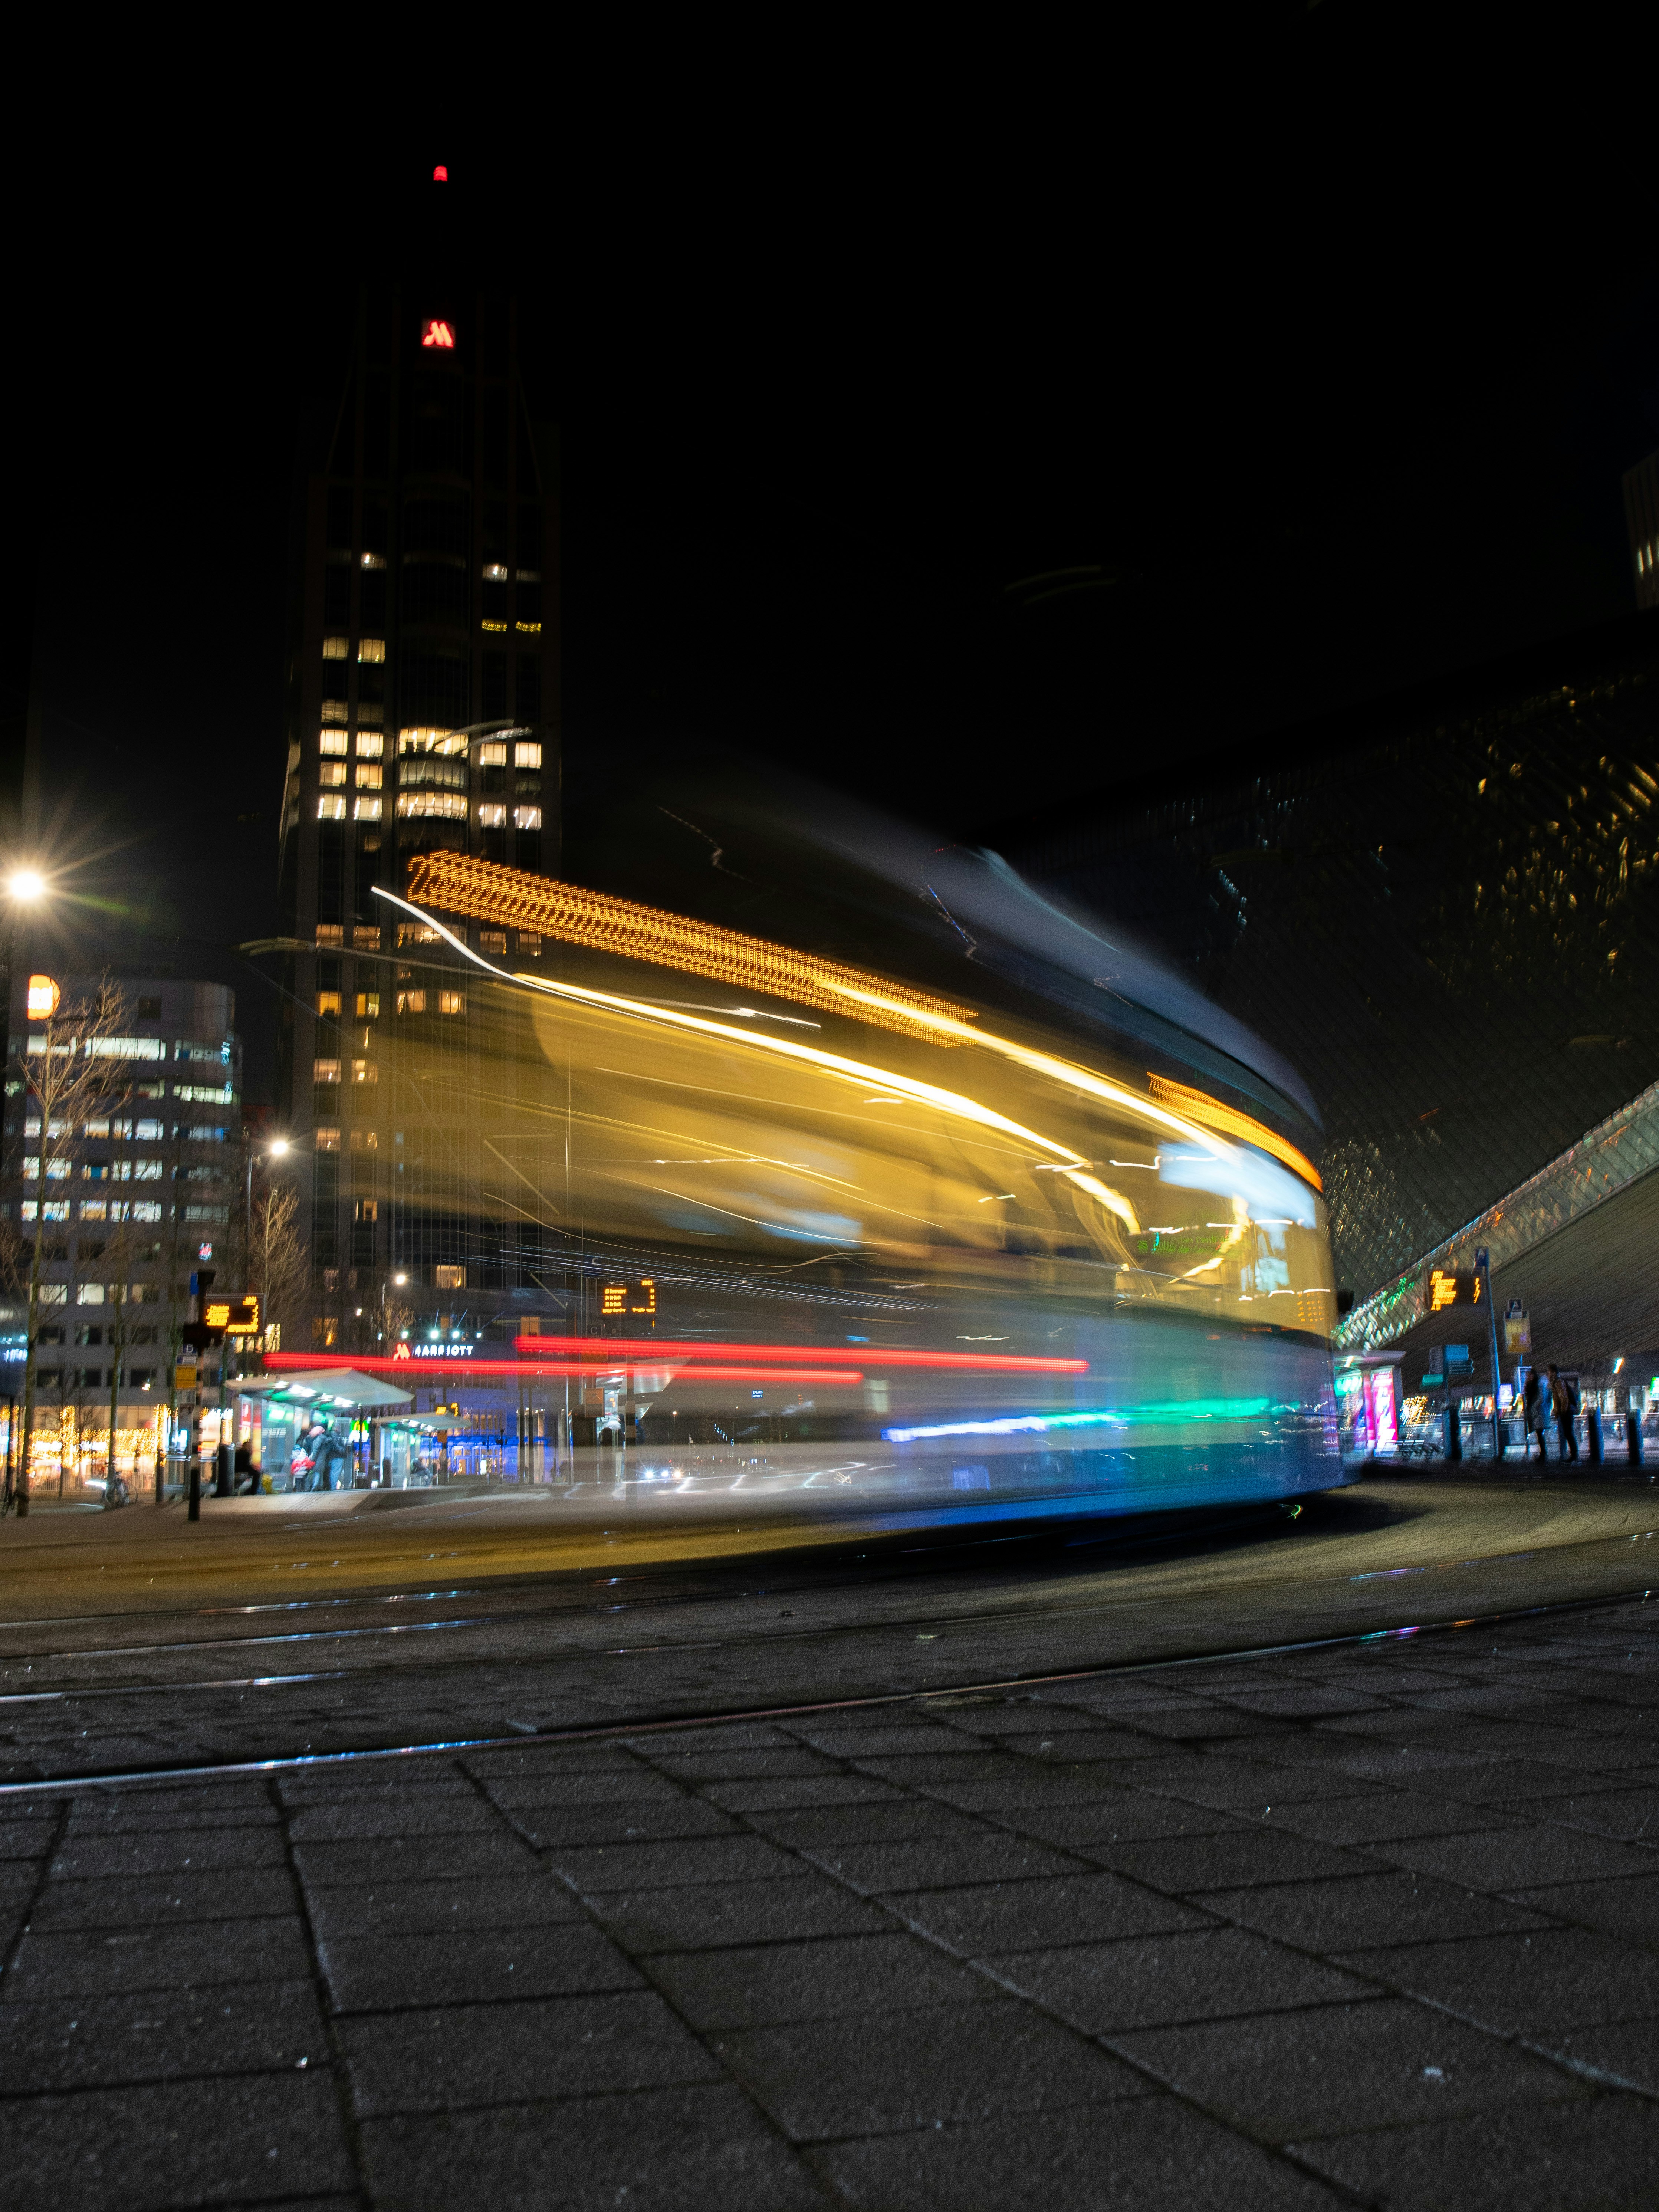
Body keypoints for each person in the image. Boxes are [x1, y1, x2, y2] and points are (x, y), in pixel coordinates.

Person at [1548, 1363, 1579, 1465]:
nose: (1548, 1375)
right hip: (1566, 1412)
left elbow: (1564, 1399)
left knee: (1569, 1434)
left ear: (1553, 1372)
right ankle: (1574, 1457)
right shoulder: (1557, 1382)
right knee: (1568, 1434)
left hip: (1567, 1413)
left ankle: (1575, 1458)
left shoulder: (1558, 1382)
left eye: (1549, 1372)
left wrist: (1561, 1412)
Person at [1523, 1366, 1546, 1460]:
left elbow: (1541, 1398)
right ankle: (1543, 1453)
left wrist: (1535, 1406)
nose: (1527, 1378)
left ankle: (1543, 1454)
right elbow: (1525, 1391)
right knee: (1539, 1433)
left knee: (1539, 1433)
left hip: (1538, 1412)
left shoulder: (1537, 1385)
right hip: (1534, 1412)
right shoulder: (1531, 1385)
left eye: (1528, 1376)